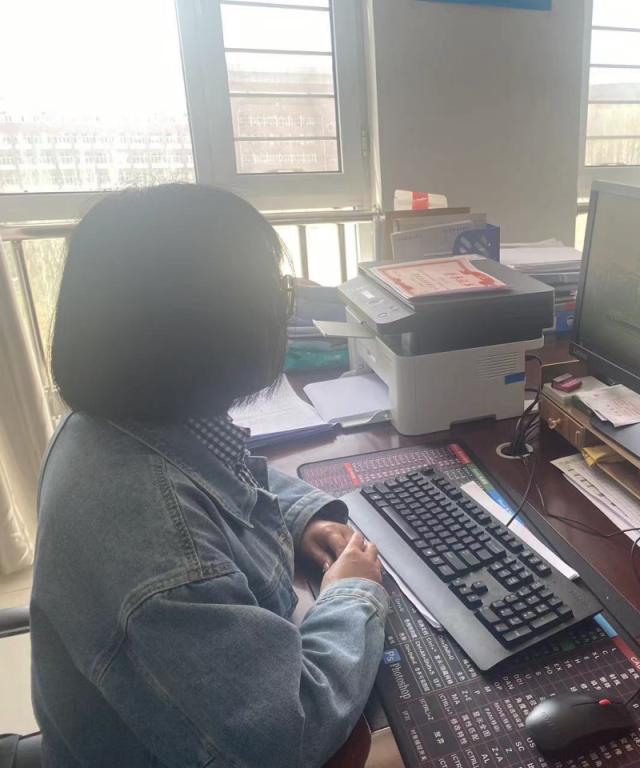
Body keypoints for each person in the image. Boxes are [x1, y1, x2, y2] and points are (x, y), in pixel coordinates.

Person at [31, 184, 387, 767]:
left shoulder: (112, 421)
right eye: (274, 291)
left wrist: (302, 517)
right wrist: (352, 594)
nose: (284, 305)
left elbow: (218, 475)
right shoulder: (167, 560)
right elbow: (289, 733)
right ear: (213, 325)